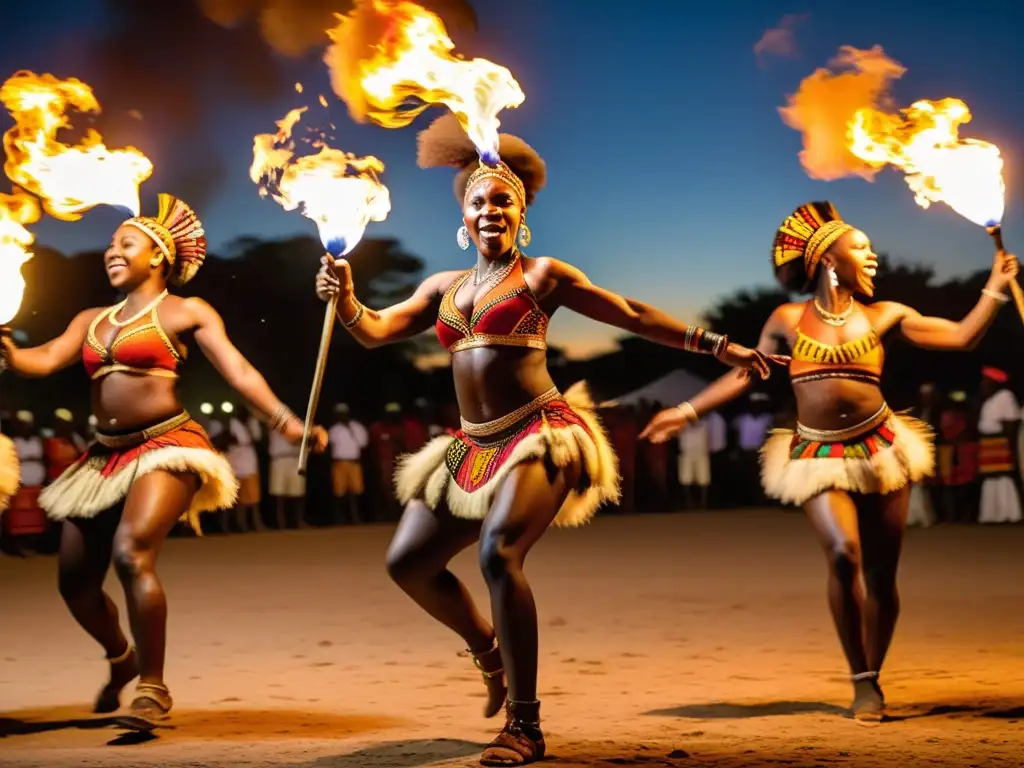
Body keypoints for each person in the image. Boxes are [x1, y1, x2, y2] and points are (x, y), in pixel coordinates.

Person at [316, 114, 779, 766]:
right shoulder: (440, 288)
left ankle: (524, 726)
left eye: (502, 199)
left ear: (521, 212)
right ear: (463, 218)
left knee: (499, 556)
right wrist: (345, 298)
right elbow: (373, 330)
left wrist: (716, 344)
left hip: (540, 433)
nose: (489, 208)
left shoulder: (542, 277)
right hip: (472, 443)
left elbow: (632, 313)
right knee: (407, 564)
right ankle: (489, 650)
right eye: (478, 200)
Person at [641, 201, 1018, 721]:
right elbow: (747, 372)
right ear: (829, 258)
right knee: (844, 554)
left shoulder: (886, 314)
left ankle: (875, 675)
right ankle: (861, 680)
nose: (873, 257)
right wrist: (685, 410)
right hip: (816, 452)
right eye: (861, 248)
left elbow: (960, 336)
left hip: (882, 446)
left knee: (883, 577)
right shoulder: (788, 320)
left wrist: (995, 287)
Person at [0, 193, 327, 719]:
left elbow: (238, 370)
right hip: (103, 457)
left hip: (167, 446)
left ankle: (152, 686)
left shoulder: (184, 311)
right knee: (74, 582)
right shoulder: (90, 318)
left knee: (132, 553)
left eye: (125, 243)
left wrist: (284, 420)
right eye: (109, 245)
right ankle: (121, 658)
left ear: (158, 256)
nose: (111, 251)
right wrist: (12, 353)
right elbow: (43, 360)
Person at [976, 367, 1023, 524]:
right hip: (988, 444)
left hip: (1000, 443)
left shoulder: (1005, 397)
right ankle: (992, 515)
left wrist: (1011, 448)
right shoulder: (989, 401)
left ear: (994, 383)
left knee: (1003, 477)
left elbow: (1011, 424)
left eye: (986, 381)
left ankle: (1007, 514)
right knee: (990, 478)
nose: (982, 384)